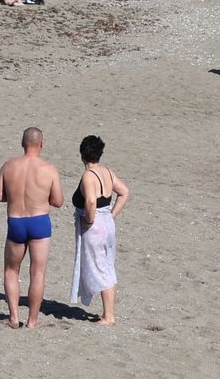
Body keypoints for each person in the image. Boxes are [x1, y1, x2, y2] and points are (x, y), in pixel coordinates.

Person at [0, 127, 64, 329]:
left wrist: (13, 197)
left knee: (11, 271)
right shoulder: (49, 169)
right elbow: (58, 201)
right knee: (37, 273)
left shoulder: (9, 166)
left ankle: (14, 317)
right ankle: (32, 321)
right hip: (39, 220)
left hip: (16, 221)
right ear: (42, 143)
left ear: (22, 143)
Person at [70, 134, 128, 325]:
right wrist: (110, 216)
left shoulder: (88, 176)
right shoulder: (107, 171)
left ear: (82, 155)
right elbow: (124, 192)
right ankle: (109, 313)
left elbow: (91, 201)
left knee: (100, 268)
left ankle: (109, 316)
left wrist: (89, 220)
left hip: (95, 226)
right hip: (107, 224)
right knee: (107, 265)